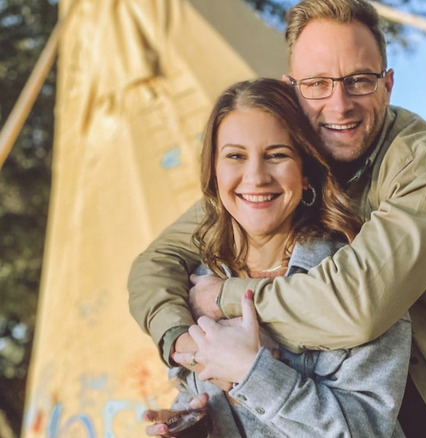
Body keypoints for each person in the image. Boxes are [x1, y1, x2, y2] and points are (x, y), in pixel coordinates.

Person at [128, 0, 426, 436]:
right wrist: (186, 347)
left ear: (388, 85)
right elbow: (155, 263)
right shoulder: (277, 179)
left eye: (359, 81)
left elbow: (358, 307)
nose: (339, 105)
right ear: (292, 90)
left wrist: (226, 301)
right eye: (317, 83)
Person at [141, 78, 410, 437]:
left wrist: (249, 373)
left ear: (306, 172)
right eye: (235, 156)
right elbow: (202, 396)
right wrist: (194, 425)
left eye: (277, 155)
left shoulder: (356, 276)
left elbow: (367, 431)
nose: (255, 177)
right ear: (214, 173)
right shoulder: (197, 286)